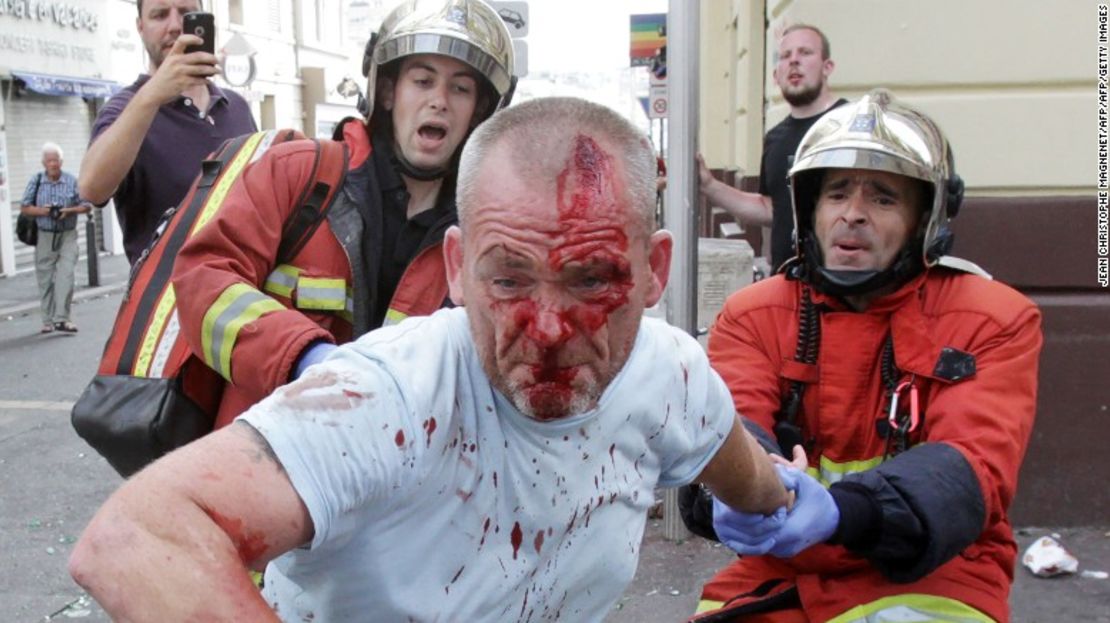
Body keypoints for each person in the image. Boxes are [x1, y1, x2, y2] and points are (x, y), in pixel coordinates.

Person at [68, 96, 791, 621]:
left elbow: (747, 474)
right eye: (507, 278)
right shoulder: (388, 398)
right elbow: (136, 536)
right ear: (455, 266)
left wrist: (791, 502)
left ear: (656, 270)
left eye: (591, 279)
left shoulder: (670, 373)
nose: (545, 327)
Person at [688, 90, 1043, 622]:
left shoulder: (993, 318)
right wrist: (731, 490)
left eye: (882, 198)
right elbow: (727, 421)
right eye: (835, 194)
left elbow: (972, 466)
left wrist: (842, 512)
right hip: (779, 572)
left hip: (937, 575)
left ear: (925, 218)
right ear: (809, 209)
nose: (852, 215)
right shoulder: (754, 313)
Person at [169, 0, 516, 429]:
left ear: (480, 111)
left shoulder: (483, 232)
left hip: (393, 477)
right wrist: (302, 356)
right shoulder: (297, 173)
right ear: (388, 92)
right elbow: (202, 280)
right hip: (268, 458)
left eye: (461, 88)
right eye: (423, 81)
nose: (439, 101)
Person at [80, 0, 256, 264]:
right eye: (160, 15)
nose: (174, 26)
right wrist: (151, 96)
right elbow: (92, 188)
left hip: (244, 294)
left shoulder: (237, 106)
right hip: (169, 300)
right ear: (140, 27)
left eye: (186, 14)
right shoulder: (126, 108)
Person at [697, 23, 847, 272]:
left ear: (827, 67)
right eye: (785, 56)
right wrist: (709, 186)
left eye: (805, 53)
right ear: (776, 75)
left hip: (842, 286)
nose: (794, 61)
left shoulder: (850, 125)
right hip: (787, 283)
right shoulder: (776, 139)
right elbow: (771, 208)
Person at [19, 143, 92, 334]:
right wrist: (45, 211)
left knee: (66, 275)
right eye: (50, 160)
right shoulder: (36, 181)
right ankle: (47, 320)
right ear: (44, 162)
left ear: (61, 161)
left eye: (56, 160)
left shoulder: (71, 180)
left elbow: (86, 206)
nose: (53, 164)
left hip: (67, 234)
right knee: (45, 278)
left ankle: (63, 318)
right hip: (44, 235)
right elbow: (25, 207)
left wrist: (68, 211)